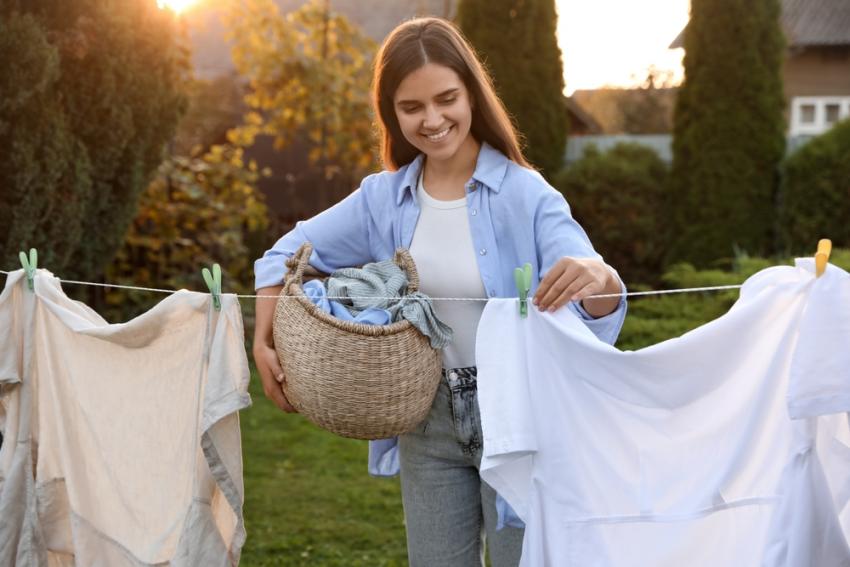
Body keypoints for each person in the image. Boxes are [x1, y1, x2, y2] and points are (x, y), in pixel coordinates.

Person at [252, 17, 626, 567]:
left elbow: (597, 295)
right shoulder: (384, 199)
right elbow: (280, 256)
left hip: (519, 418)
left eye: (447, 98)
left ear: (472, 93)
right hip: (426, 417)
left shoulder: (526, 194)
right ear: (392, 113)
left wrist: (601, 278)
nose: (432, 120)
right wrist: (265, 344)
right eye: (411, 108)